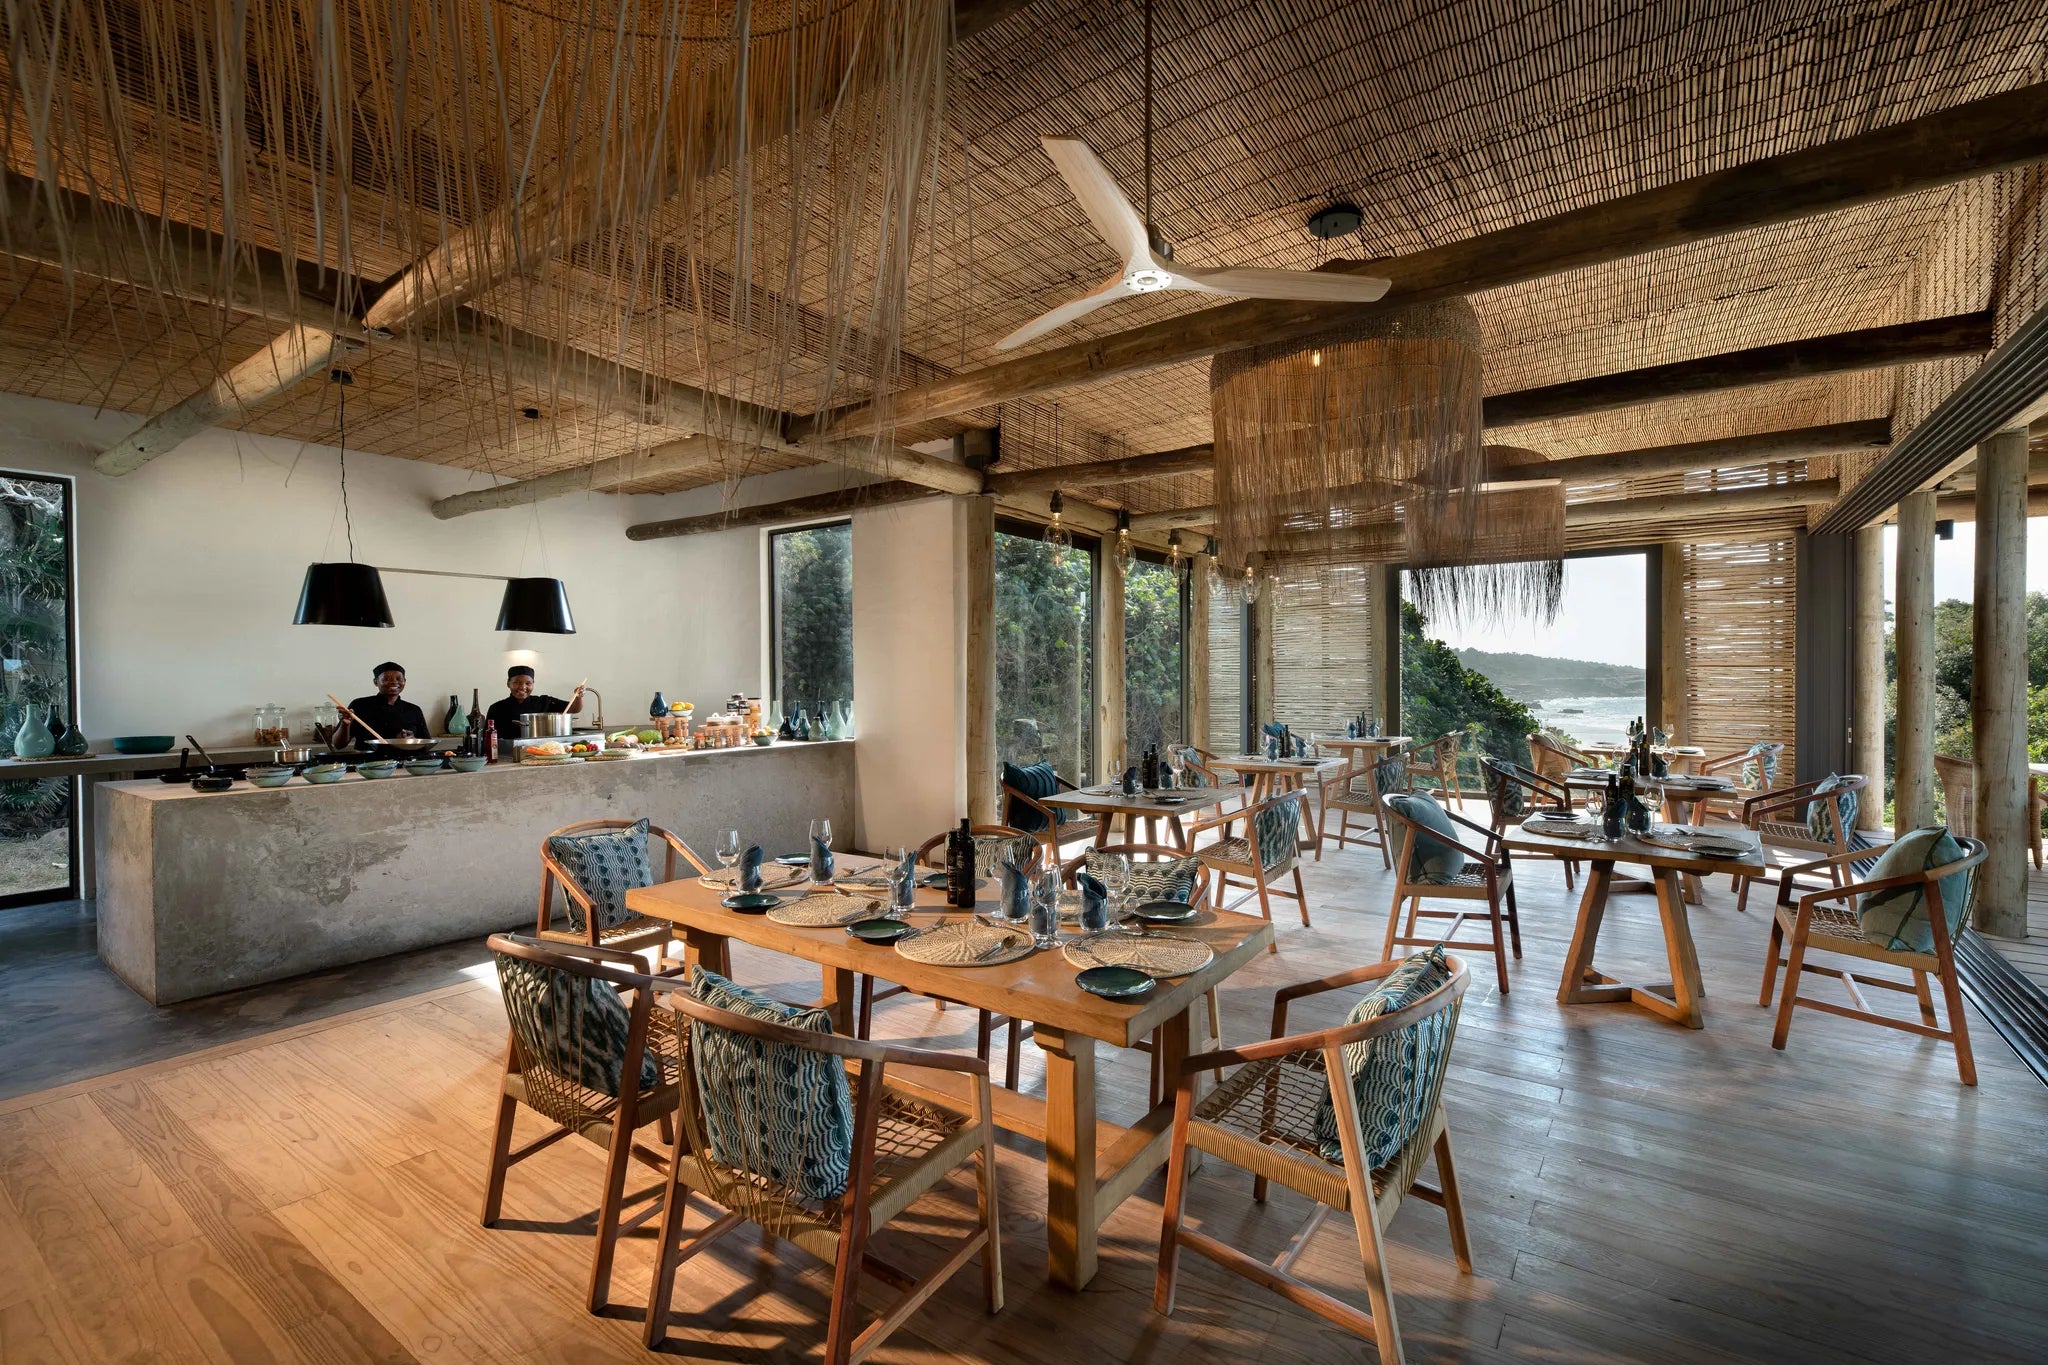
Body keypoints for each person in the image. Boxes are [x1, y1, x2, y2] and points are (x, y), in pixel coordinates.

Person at [485, 666, 586, 748]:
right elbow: (487, 738)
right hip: (507, 754)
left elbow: (574, 708)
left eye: (528, 683)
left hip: (543, 751)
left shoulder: (544, 701)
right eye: (517, 683)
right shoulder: (496, 708)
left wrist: (578, 696)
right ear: (508, 683)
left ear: (533, 684)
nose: (522, 687)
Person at [341, 662, 430, 748]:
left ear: (405, 681)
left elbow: (426, 744)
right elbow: (339, 745)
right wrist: (345, 725)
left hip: (406, 762)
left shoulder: (414, 710)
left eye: (399, 678)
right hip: (368, 761)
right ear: (376, 682)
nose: (394, 682)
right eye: (386, 679)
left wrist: (411, 740)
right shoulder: (359, 705)